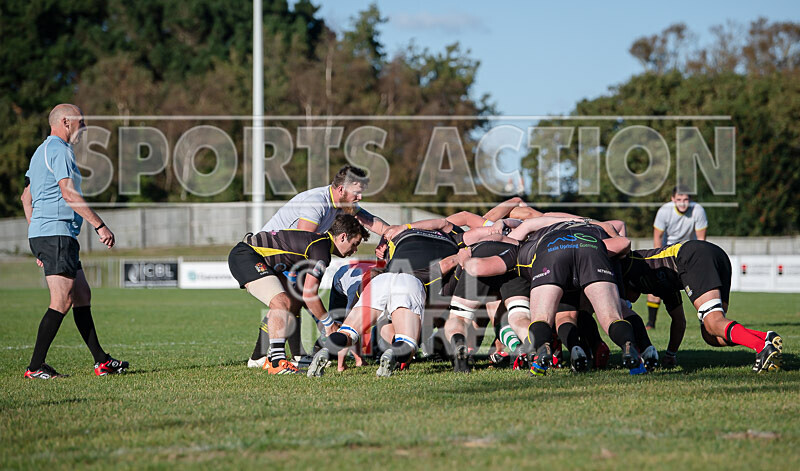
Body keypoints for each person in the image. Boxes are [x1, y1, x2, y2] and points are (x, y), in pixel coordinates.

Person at [248, 165, 396, 368]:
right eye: (357, 192)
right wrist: (325, 323)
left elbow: (374, 223)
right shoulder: (316, 203)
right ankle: (283, 356)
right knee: (293, 299)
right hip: (269, 254)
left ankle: (276, 356)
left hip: (286, 257)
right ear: (342, 190)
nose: (360, 197)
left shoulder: (343, 204)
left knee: (294, 300)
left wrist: (389, 237)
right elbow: (301, 248)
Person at [21, 104, 128, 379]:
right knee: (61, 300)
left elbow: (26, 198)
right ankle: (35, 368)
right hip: (56, 234)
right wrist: (99, 225)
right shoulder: (59, 150)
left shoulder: (40, 152)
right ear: (66, 122)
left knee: (81, 295)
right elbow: (68, 195)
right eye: (82, 121)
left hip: (50, 234)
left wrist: (37, 235)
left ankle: (102, 361)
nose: (85, 126)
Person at [228, 214, 368, 374]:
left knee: (293, 302)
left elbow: (304, 294)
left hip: (257, 258)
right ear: (343, 237)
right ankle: (277, 362)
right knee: (281, 302)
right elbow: (310, 295)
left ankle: (270, 358)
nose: (355, 250)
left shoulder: (320, 243)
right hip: (247, 255)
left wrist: (322, 322)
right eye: (355, 244)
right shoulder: (321, 250)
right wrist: (329, 324)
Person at [621, 240, 782, 372]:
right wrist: (670, 354)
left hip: (692, 255)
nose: (628, 301)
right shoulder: (661, 287)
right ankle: (764, 337)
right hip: (716, 254)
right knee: (711, 335)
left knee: (714, 322)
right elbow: (679, 321)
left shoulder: (630, 264)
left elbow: (622, 247)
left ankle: (762, 348)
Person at [647, 186, 708, 330]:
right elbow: (658, 237)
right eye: (679, 199)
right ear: (672, 199)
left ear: (690, 200)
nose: (682, 203)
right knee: (654, 286)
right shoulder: (664, 211)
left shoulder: (698, 211)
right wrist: (657, 258)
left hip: (689, 251)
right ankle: (650, 323)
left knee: (699, 287)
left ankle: (705, 319)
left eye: (686, 199)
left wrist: (699, 259)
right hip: (667, 251)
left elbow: (701, 239)